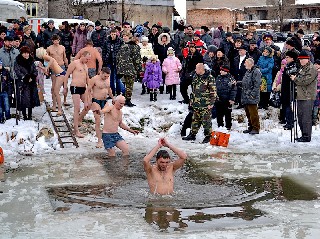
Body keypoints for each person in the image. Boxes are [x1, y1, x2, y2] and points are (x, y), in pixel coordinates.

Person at [182, 63, 217, 143]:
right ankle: (192, 134)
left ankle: (208, 136)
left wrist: (211, 103)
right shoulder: (195, 77)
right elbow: (193, 91)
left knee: (206, 121)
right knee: (195, 120)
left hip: (205, 104)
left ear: (201, 69)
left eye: (197, 68)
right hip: (196, 103)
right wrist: (191, 101)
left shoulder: (209, 78)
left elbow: (213, 92)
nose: (195, 70)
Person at [290, 50, 318, 142]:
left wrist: (295, 79)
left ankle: (306, 136)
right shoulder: (302, 68)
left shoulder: (312, 68)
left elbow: (306, 81)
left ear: (308, 59)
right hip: (300, 95)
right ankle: (303, 134)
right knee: (300, 116)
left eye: (303, 59)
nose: (301, 61)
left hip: (308, 96)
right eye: (300, 59)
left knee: (306, 117)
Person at [63, 51, 91, 138]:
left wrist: (90, 90)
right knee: (77, 108)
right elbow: (67, 75)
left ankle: (79, 120)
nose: (87, 61)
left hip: (83, 88)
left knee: (89, 104)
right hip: (75, 87)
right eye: (87, 59)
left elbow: (87, 79)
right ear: (82, 56)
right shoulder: (75, 63)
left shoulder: (85, 66)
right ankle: (76, 130)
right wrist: (65, 87)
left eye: (89, 59)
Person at [87, 67, 114, 148]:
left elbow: (109, 89)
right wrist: (88, 101)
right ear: (101, 73)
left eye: (107, 77)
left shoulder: (107, 79)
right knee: (98, 120)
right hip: (96, 100)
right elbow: (88, 90)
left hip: (104, 101)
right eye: (105, 76)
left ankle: (108, 137)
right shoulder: (94, 79)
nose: (106, 78)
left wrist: (113, 98)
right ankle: (99, 141)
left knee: (110, 117)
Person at [14, 46, 40, 120]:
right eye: (24, 53)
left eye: (27, 53)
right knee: (24, 99)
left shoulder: (31, 60)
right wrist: (25, 77)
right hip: (23, 83)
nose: (26, 55)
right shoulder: (18, 61)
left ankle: (30, 115)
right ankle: (24, 115)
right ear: (21, 54)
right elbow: (17, 71)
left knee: (31, 98)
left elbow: (35, 70)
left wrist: (32, 76)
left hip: (31, 83)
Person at [116, 33, 142, 107]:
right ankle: (127, 100)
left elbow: (118, 57)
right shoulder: (135, 47)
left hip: (121, 69)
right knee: (129, 86)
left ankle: (122, 98)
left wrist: (119, 68)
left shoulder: (123, 46)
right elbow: (137, 60)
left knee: (123, 84)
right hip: (130, 69)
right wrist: (139, 69)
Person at [46, 34, 69, 108]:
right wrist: (47, 68)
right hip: (54, 68)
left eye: (58, 40)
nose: (56, 42)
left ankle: (65, 100)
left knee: (64, 84)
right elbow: (47, 59)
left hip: (62, 66)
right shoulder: (49, 48)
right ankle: (54, 104)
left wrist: (67, 66)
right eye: (55, 40)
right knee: (54, 86)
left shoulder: (62, 47)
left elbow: (65, 57)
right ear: (52, 41)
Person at [242, 58, 262, 135]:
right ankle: (250, 127)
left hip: (252, 96)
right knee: (248, 113)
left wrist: (252, 95)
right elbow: (246, 82)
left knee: (253, 113)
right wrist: (238, 83)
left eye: (246, 63)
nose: (244, 64)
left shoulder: (256, 72)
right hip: (245, 95)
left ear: (251, 63)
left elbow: (257, 85)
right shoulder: (248, 71)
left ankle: (255, 128)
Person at [215, 65, 237, 130]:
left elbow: (234, 89)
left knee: (227, 113)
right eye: (220, 70)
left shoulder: (231, 78)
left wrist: (232, 99)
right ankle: (220, 126)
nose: (220, 71)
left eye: (222, 70)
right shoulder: (218, 77)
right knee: (219, 114)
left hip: (227, 99)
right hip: (219, 99)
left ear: (226, 71)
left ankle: (228, 126)